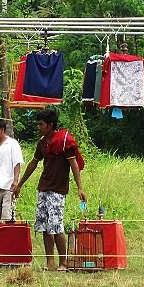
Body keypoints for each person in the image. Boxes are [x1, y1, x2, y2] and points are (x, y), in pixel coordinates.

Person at [13, 108, 87, 271]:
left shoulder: (64, 141)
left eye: (41, 124)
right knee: (45, 226)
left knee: (56, 225)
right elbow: (34, 163)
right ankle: (50, 261)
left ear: (50, 125)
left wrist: (79, 188)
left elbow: (74, 165)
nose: (39, 127)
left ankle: (63, 262)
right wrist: (20, 184)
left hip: (58, 190)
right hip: (43, 188)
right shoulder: (42, 142)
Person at [0, 118, 24, 225]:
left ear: (2, 129)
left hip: (8, 185)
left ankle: (8, 239)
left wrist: (16, 181)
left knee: (7, 215)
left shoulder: (12, 144)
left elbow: (17, 163)